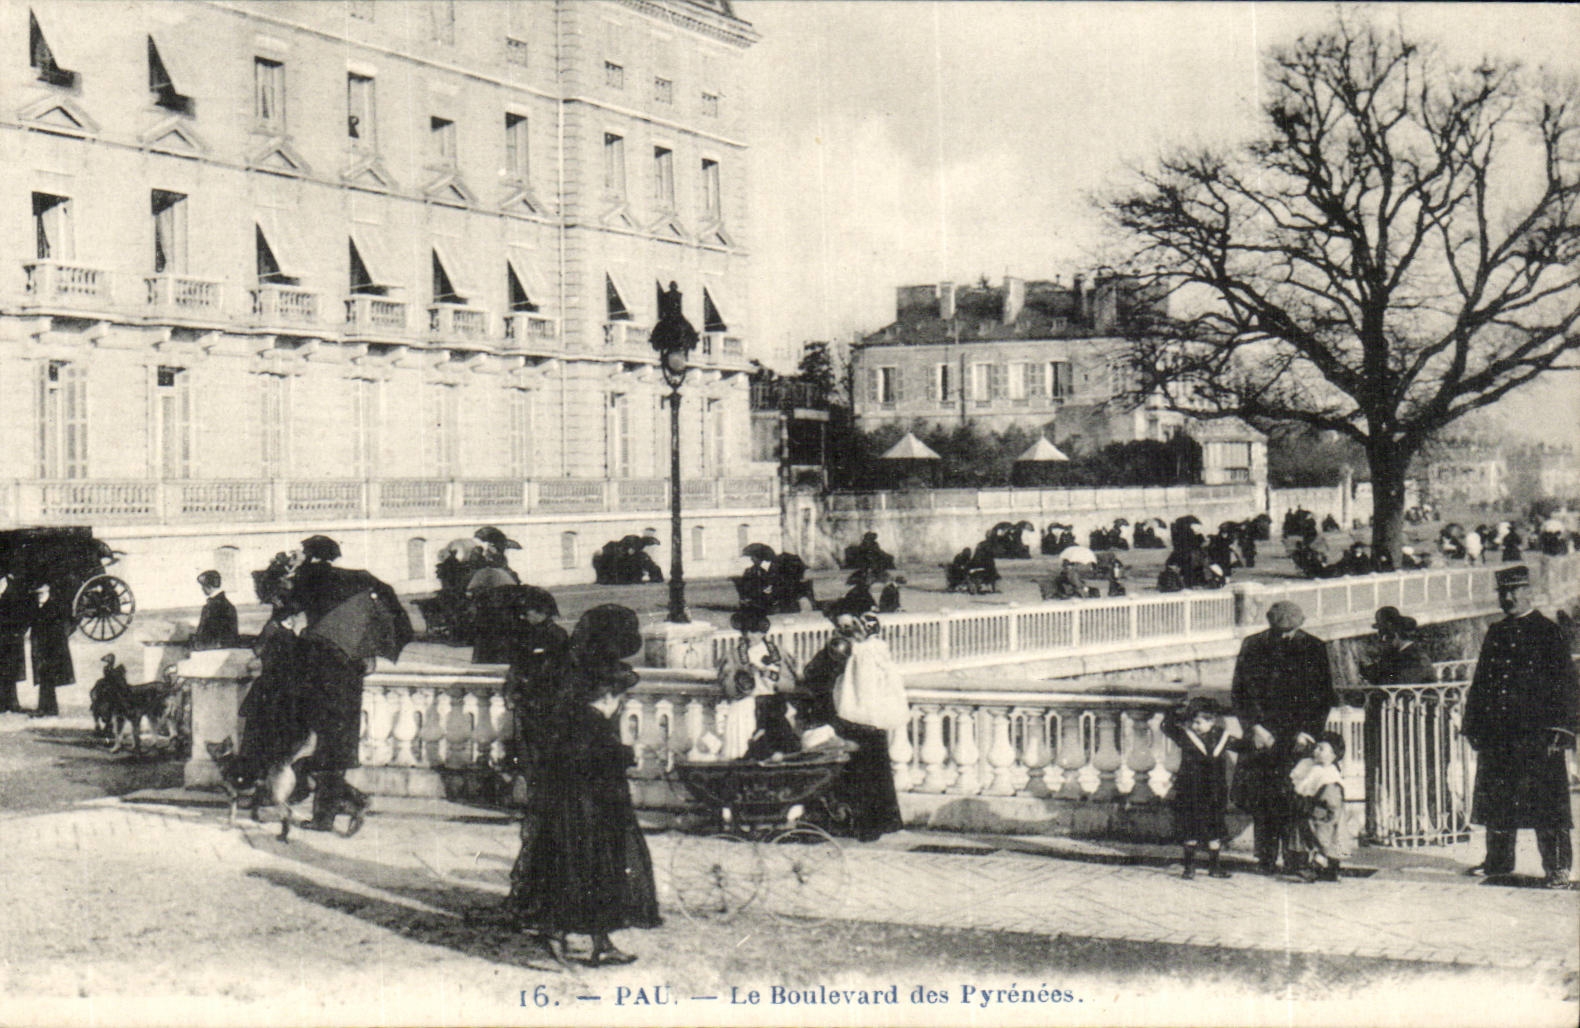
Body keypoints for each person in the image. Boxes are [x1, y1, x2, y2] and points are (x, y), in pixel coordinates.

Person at [504, 604, 660, 966]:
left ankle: (574, 937)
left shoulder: (570, 685)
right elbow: (590, 753)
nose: (619, 702)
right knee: (594, 866)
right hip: (592, 801)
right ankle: (583, 938)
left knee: (576, 865)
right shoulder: (591, 706)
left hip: (576, 798)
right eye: (616, 696)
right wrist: (624, 755)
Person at [274, 535, 412, 834]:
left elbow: (282, 609)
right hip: (349, 673)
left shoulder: (308, 579)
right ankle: (344, 804)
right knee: (335, 749)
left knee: (315, 748)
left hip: (319, 672)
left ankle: (335, 809)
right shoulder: (358, 579)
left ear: (311, 555)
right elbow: (386, 594)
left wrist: (286, 576)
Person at [1462, 565, 1580, 889]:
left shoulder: (1548, 631)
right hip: (1499, 735)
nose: (1509, 598)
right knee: (1498, 800)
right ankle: (1498, 862)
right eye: (1504, 592)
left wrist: (1563, 728)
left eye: (1515, 591)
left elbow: (1567, 683)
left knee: (1547, 804)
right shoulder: (1496, 631)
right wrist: (1473, 724)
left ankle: (1558, 868)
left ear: (1529, 592)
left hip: (1537, 736)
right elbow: (1481, 682)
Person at [1230, 601, 1336, 874]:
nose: (1284, 635)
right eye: (1279, 630)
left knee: (1295, 797)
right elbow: (1239, 691)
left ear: (1300, 624)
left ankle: (1294, 857)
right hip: (1262, 736)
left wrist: (1308, 732)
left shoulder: (1314, 647)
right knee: (1262, 799)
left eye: (1289, 631)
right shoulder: (1253, 644)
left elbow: (1323, 695)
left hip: (1297, 737)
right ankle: (1265, 857)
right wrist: (1254, 727)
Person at [798, 612, 905, 842]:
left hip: (853, 720)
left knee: (858, 773)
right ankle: (877, 822)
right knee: (872, 772)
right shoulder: (877, 651)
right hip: (873, 720)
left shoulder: (855, 651)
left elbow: (820, 677)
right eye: (841, 627)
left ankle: (861, 824)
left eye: (847, 627)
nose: (843, 631)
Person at [1161, 697, 1237, 880]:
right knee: (1190, 828)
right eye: (1193, 722)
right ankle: (1189, 867)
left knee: (1215, 828)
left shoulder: (1223, 737)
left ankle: (1215, 866)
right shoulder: (1186, 737)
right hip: (1190, 790)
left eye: (1199, 722)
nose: (1195, 726)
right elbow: (1167, 727)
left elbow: (1245, 746)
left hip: (1215, 792)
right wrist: (1174, 709)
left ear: (1212, 721)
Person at [502, 586, 570, 776]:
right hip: (528, 699)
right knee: (526, 748)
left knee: (542, 749)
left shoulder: (556, 635)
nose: (524, 616)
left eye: (528, 611)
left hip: (546, 699)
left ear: (542, 611)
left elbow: (560, 668)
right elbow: (516, 666)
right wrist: (512, 690)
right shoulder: (525, 633)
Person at [715, 609, 800, 760]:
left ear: (762, 632)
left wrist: (771, 677)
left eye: (753, 631)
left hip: (774, 709)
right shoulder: (733, 655)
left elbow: (790, 684)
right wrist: (744, 680)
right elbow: (727, 688)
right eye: (745, 631)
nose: (748, 636)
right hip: (745, 708)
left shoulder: (778, 653)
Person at [1287, 732, 1352, 883]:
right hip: (1312, 811)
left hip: (1325, 814)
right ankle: (1313, 867)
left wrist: (1323, 811)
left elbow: (1332, 800)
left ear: (1334, 755)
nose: (1316, 751)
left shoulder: (1330, 775)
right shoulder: (1312, 767)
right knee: (1309, 838)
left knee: (1326, 839)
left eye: (1321, 749)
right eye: (1316, 747)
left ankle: (1326, 869)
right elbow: (1302, 784)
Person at [28, 582, 75, 718]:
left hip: (52, 648)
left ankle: (46, 709)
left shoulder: (54, 606)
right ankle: (48, 708)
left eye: (41, 593)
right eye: (38, 594)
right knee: (45, 678)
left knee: (47, 677)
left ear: (48, 590)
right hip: (42, 647)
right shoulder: (39, 606)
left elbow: (62, 627)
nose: (39, 596)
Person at [1359, 607, 1434, 685]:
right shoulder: (1406, 653)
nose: (1383, 640)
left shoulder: (1411, 657)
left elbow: (1393, 683)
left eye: (1384, 634)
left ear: (1395, 634)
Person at [0, 574, 29, 713]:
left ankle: (11, 702)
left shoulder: (14, 587)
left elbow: (23, 610)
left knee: (10, 668)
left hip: (11, 634)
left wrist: (20, 630)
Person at [191, 570, 240, 651]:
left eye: (203, 586)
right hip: (222, 649)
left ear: (209, 586)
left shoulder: (215, 606)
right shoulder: (227, 605)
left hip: (213, 651)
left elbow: (213, 634)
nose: (202, 589)